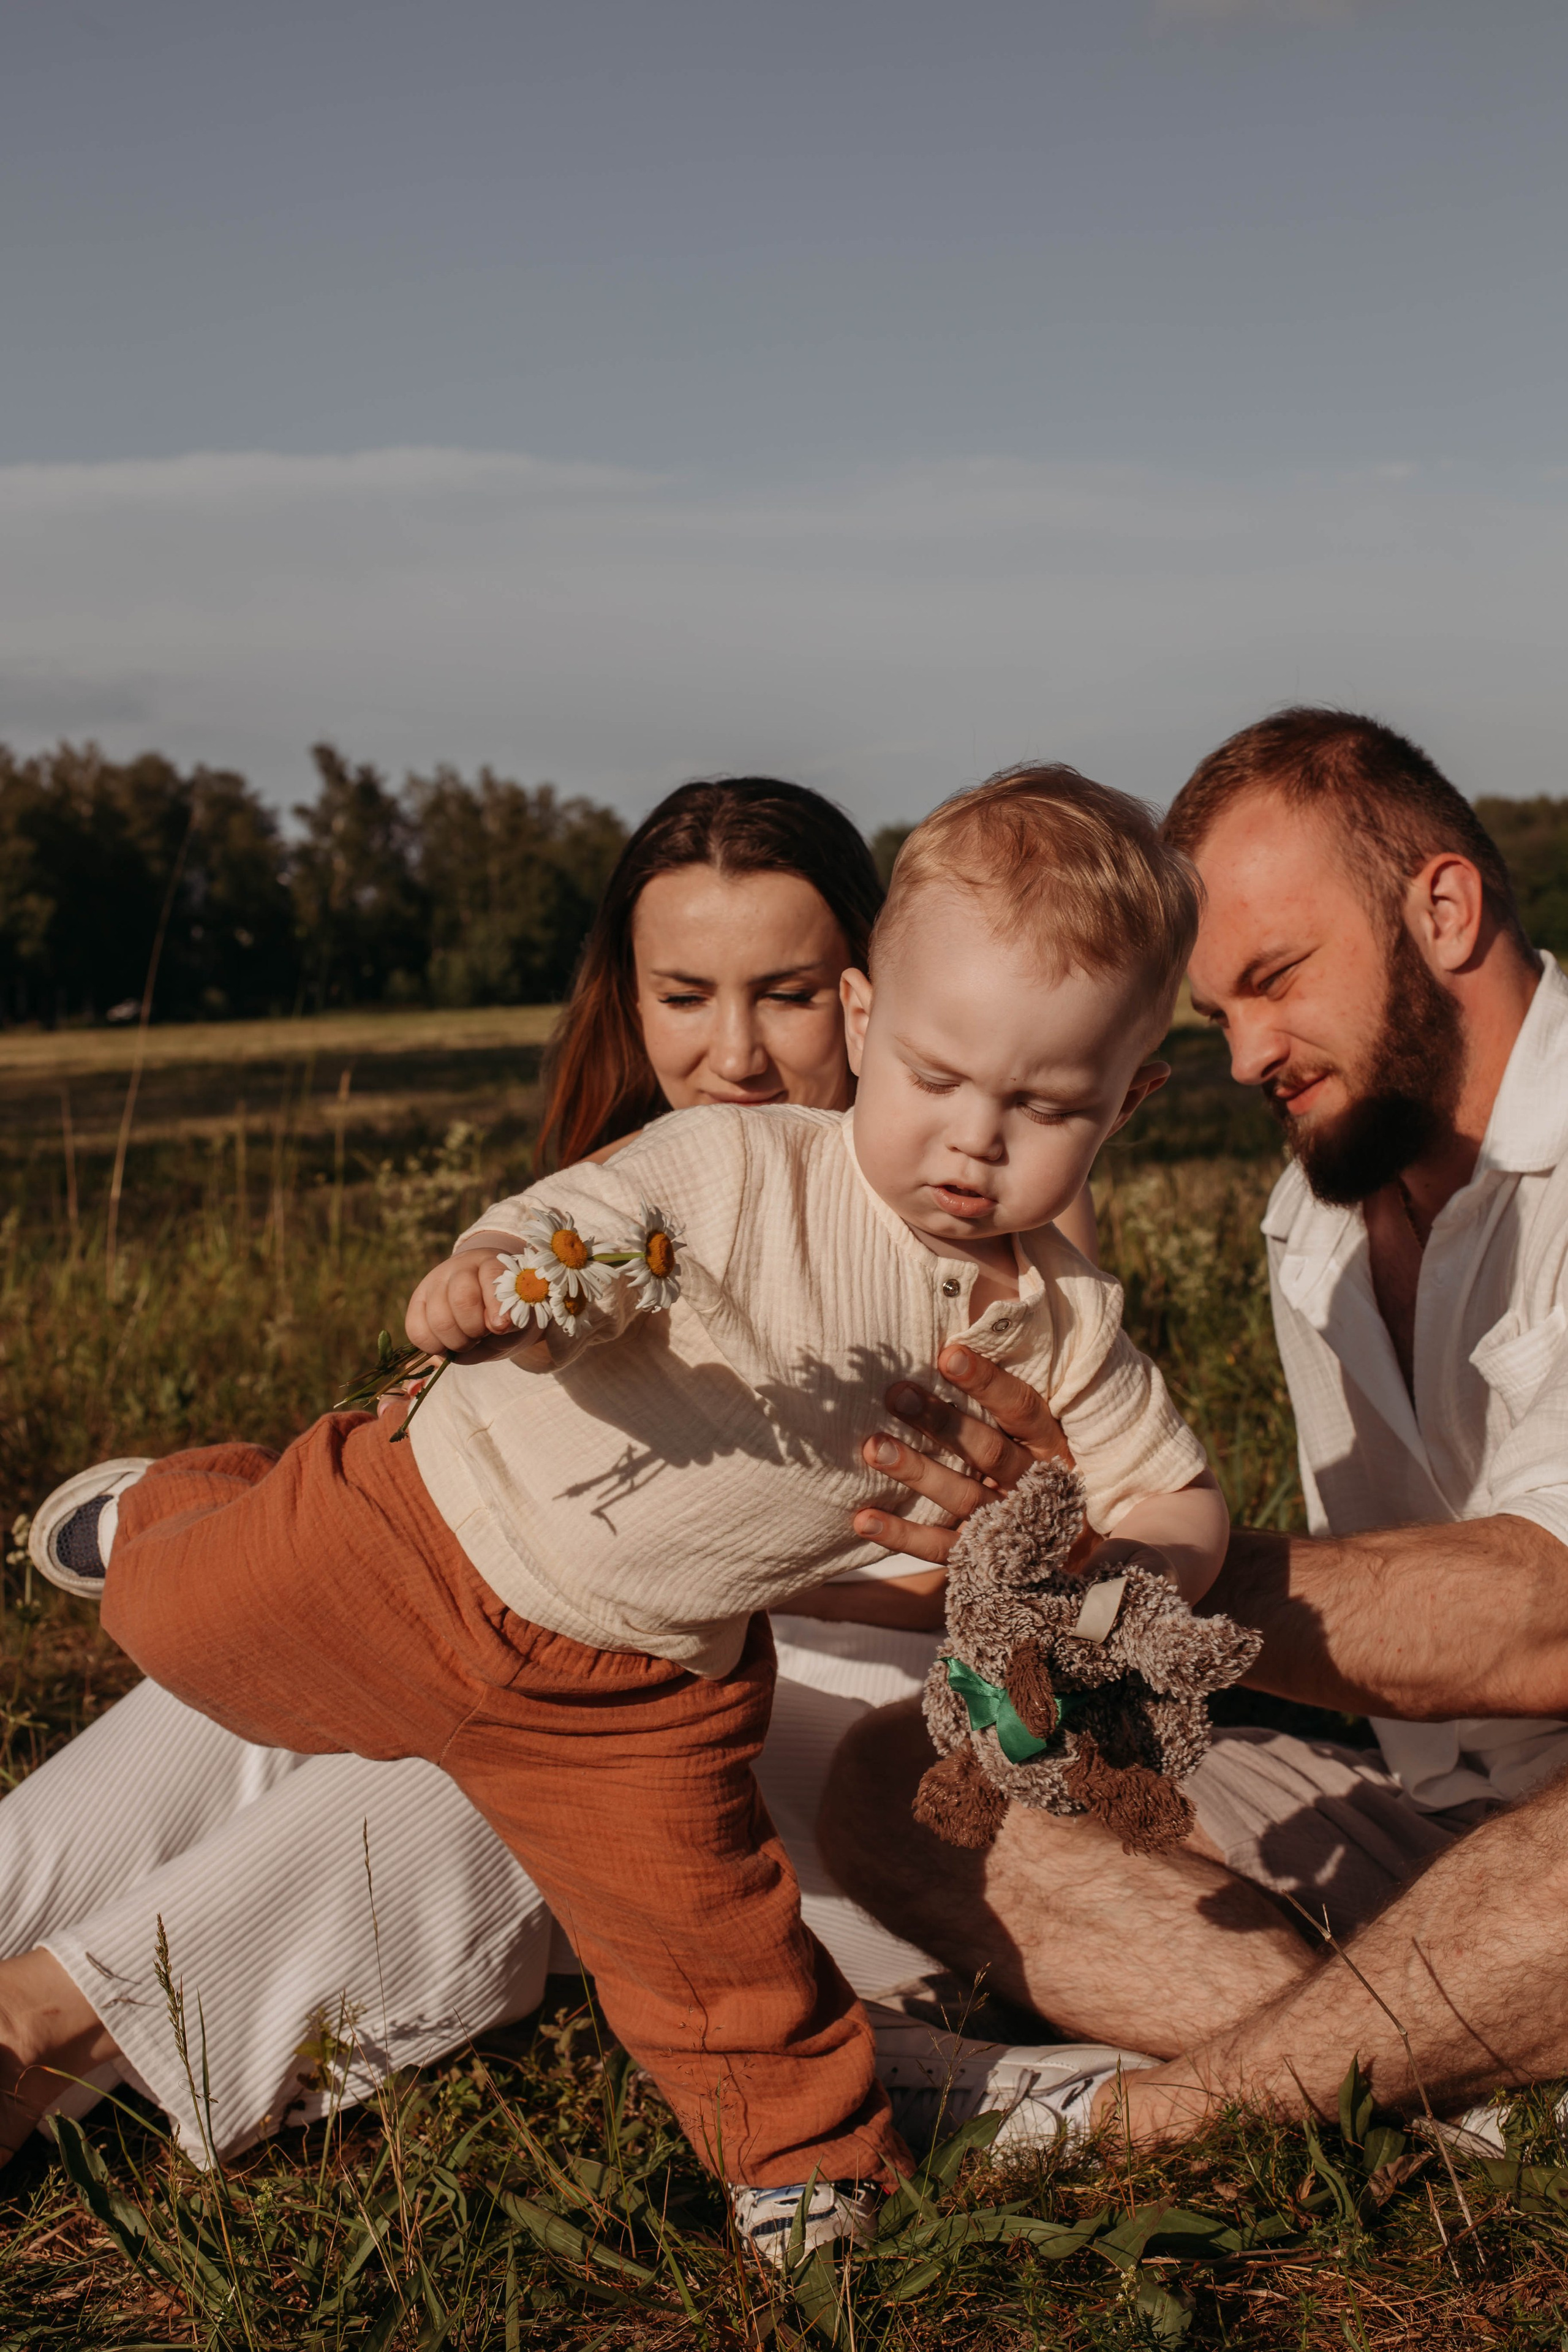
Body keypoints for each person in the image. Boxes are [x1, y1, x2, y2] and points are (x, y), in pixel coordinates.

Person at [33, 766, 1226, 2253]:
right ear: (881, 1022)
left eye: (1043, 1106)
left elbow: (1162, 1490)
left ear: (1125, 1100)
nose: (976, 1142)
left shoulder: (1048, 1306)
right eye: (686, 994)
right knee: (195, 1629)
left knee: (702, 1932)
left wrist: (1105, 1604)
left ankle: (805, 2165)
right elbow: (574, 1238)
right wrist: (505, 1291)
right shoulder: (722, 1170)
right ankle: (163, 1511)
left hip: (655, 1678)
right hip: (434, 1547)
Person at [823, 707, 1568, 2150]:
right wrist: (1041, 1581)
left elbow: (1544, 1615)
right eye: (1216, 1014)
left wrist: (1141, 1576)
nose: (1243, 1057)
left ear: (1443, 906)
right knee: (900, 1789)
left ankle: (1162, 2118)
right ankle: (1421, 2064)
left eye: (1274, 982)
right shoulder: (1316, 1226)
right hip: (1420, 1822)